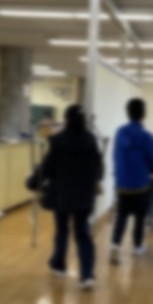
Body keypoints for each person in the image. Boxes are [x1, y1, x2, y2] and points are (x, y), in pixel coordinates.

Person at [36, 105, 103, 290]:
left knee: (62, 231)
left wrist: (33, 182)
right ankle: (87, 275)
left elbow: (47, 168)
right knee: (83, 233)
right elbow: (99, 169)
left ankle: (59, 265)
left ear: (66, 120)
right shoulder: (91, 140)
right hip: (84, 195)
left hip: (62, 195)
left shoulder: (58, 141)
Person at [111, 98, 153, 263]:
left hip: (122, 184)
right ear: (143, 114)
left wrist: (118, 175)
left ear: (127, 113)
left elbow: (115, 156)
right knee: (139, 217)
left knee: (121, 216)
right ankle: (137, 247)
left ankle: (115, 247)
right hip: (140, 185)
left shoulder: (120, 132)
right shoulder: (145, 136)